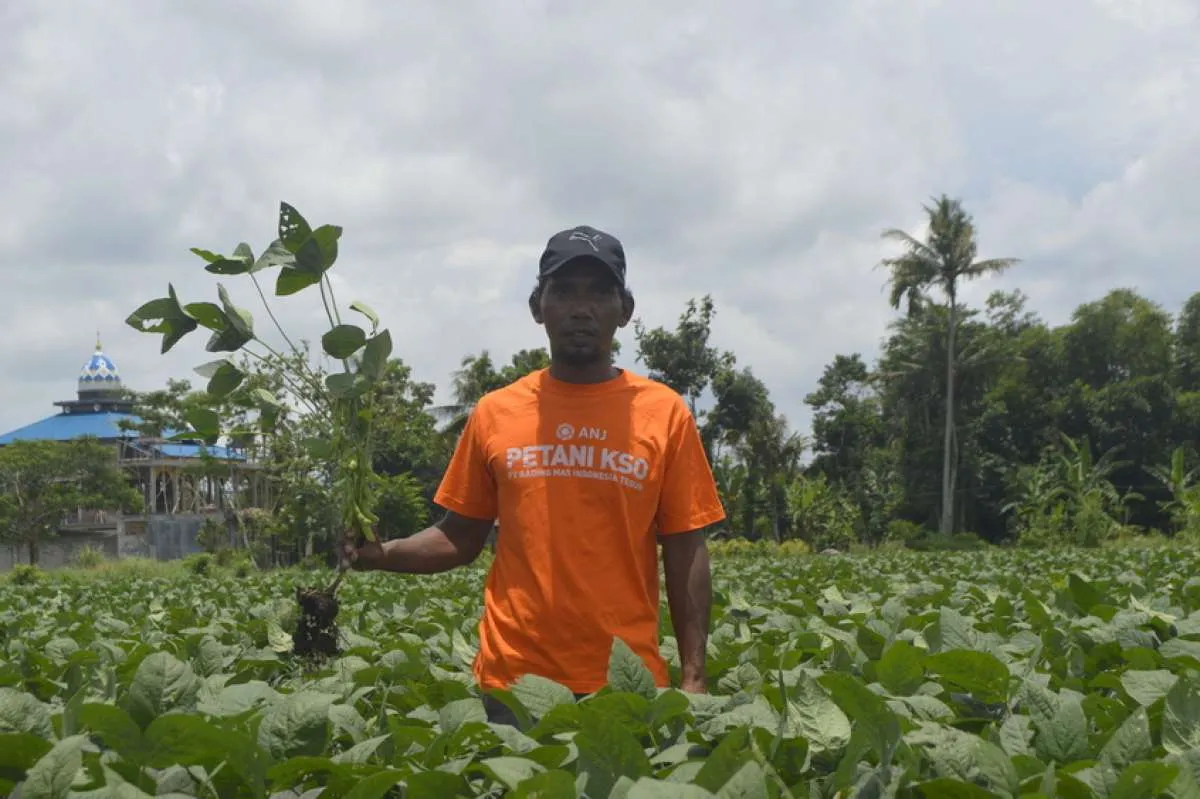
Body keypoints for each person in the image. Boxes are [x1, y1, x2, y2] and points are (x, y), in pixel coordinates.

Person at [341, 224, 726, 724]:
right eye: (563, 291)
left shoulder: (664, 413)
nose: (580, 308)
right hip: (514, 684)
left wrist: (694, 678)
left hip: (626, 683)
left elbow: (685, 547)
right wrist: (382, 555)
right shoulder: (496, 412)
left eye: (599, 292)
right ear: (537, 307)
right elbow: (459, 536)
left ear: (625, 310)